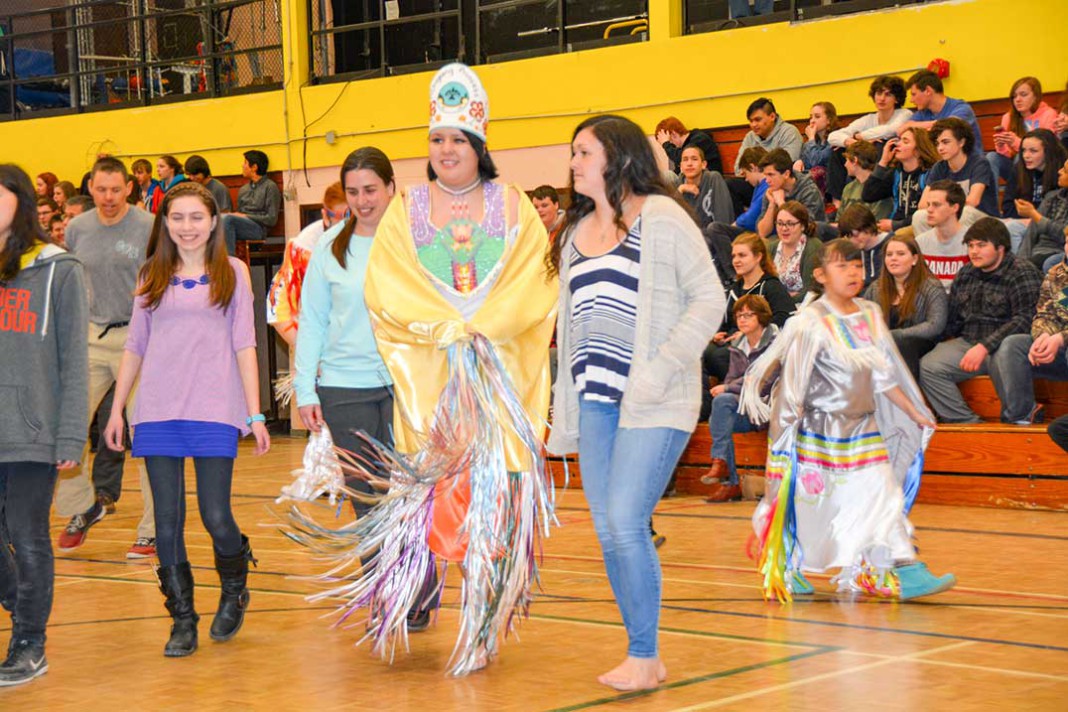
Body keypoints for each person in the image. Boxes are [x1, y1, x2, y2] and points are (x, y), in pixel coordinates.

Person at [288, 63, 558, 677]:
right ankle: (416, 597)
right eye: (437, 139)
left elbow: (536, 281)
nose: (445, 150)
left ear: (478, 144)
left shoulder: (513, 205)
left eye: (457, 139)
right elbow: (387, 289)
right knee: (439, 502)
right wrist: (443, 328)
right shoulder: (406, 209)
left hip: (496, 380)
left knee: (493, 500)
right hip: (429, 386)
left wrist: (482, 327)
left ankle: (484, 622)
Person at [548, 113, 723, 692]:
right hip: (594, 401)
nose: (574, 162)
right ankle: (640, 652)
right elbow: (569, 321)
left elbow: (708, 300)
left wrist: (658, 370)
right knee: (609, 529)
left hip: (654, 400)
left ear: (618, 156)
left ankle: (645, 655)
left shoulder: (663, 217)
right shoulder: (574, 233)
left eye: (584, 151)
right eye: (573, 152)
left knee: (626, 521)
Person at [103, 181, 269, 657]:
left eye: (196, 217)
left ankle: (235, 587)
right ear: (165, 223)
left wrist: (255, 414)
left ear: (214, 221)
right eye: (177, 218)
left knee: (216, 516)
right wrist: (117, 409)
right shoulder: (151, 274)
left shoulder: (233, 272)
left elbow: (245, 344)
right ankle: (182, 618)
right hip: (157, 409)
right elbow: (135, 345)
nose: (187, 227)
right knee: (167, 522)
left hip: (214, 407)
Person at [739, 238, 954, 602]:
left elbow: (882, 374)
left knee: (881, 497)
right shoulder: (809, 323)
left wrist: (914, 411)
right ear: (821, 275)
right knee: (813, 508)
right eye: (842, 266)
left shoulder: (869, 313)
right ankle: (787, 567)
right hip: (818, 433)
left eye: (857, 265)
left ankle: (899, 570)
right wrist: (783, 441)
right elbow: (792, 387)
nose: (853, 273)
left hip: (863, 429)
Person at [0, 164, 88, 686]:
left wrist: (71, 433)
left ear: (21, 203)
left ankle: (30, 643)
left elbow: (74, 359)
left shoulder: (57, 268)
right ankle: (23, 603)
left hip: (34, 431)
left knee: (26, 533)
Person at [54, 157, 157, 557]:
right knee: (69, 426)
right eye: (101, 190)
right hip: (91, 337)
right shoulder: (77, 228)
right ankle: (83, 507)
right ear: (91, 189)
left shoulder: (148, 226)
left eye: (116, 190)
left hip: (138, 335)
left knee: (145, 432)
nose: (109, 197)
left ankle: (153, 528)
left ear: (128, 188)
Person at [292, 147, 395, 527]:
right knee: (366, 500)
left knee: (406, 496)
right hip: (344, 387)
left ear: (391, 188)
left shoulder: (414, 242)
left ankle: (411, 570)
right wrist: (305, 389)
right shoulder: (329, 245)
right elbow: (313, 320)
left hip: (405, 386)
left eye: (370, 190)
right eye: (353, 192)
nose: (362, 201)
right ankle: (377, 568)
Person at [919, 218, 1043, 425]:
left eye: (981, 245)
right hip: (969, 342)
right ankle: (967, 423)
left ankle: (1021, 417)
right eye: (970, 246)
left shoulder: (1022, 271)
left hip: (1006, 348)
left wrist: (985, 346)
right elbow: (954, 319)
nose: (974, 251)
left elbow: (1026, 318)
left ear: (1000, 247)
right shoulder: (966, 272)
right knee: (929, 366)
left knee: (1006, 352)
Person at [702, 295, 779, 503]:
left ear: (761, 316)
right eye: (738, 316)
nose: (742, 320)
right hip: (745, 407)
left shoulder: (775, 344)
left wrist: (728, 388)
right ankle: (725, 472)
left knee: (721, 407)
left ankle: (726, 474)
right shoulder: (738, 345)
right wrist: (729, 387)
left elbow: (764, 381)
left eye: (748, 315)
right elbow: (732, 377)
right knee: (719, 413)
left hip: (767, 409)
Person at [702, 232, 793, 399]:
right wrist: (719, 334)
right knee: (703, 352)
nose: (736, 260)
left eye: (742, 255)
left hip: (759, 346)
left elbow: (784, 318)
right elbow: (727, 321)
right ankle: (707, 403)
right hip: (734, 340)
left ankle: (740, 394)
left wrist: (750, 333)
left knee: (719, 356)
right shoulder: (735, 289)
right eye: (734, 256)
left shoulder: (771, 286)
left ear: (758, 257)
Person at [991, 235, 1068, 427]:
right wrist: (1043, 336)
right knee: (1012, 345)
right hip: (1058, 350)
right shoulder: (1055, 273)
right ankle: (1021, 416)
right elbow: (1044, 313)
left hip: (1063, 343)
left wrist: (1061, 338)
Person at [266, 181, 347, 347]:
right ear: (325, 216)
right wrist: (307, 350)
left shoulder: (372, 239)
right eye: (342, 220)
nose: (348, 228)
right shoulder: (303, 249)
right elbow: (278, 307)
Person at [863, 233, 947, 380]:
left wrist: (896, 335)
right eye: (889, 254)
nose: (893, 258)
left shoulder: (931, 287)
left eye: (900, 254)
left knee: (903, 344)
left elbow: (935, 325)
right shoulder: (875, 288)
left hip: (921, 343)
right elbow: (864, 320)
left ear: (914, 259)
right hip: (885, 343)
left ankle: (909, 392)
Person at [827, 76, 912, 201]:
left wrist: (860, 136)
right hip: (867, 159)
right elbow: (832, 136)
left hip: (889, 161)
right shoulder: (869, 119)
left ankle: (868, 195)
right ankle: (837, 201)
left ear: (897, 99)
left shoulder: (905, 114)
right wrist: (852, 141)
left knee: (880, 144)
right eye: (879, 93)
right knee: (838, 151)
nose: (882, 98)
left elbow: (891, 130)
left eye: (888, 94)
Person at [862, 125, 939, 233]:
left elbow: (928, 213)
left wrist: (896, 225)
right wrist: (883, 162)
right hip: (894, 227)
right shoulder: (896, 173)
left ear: (918, 150)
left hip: (919, 228)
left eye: (905, 142)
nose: (898, 144)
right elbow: (868, 195)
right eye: (899, 140)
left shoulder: (931, 174)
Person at [921, 117, 999, 218]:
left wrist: (943, 213)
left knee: (966, 212)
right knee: (920, 216)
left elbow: (973, 201)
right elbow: (922, 204)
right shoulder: (939, 167)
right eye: (937, 144)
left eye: (945, 142)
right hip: (950, 217)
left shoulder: (979, 163)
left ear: (961, 142)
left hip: (982, 219)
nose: (940, 148)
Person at [989, 76, 1058, 184]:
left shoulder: (1049, 114)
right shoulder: (1008, 117)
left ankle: (1022, 192)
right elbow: (1007, 154)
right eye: (1014, 96)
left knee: (1021, 156)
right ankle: (992, 196)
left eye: (1023, 95)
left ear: (1036, 96)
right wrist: (1001, 145)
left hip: (1043, 167)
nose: (1018, 100)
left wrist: (1017, 143)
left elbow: (1048, 149)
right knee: (991, 157)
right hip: (1015, 169)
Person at [899, 69, 984, 154]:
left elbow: (948, 129)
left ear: (928, 91)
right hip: (940, 161)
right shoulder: (923, 112)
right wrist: (934, 124)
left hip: (970, 161)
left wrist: (914, 125)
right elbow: (900, 130)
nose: (911, 100)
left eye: (914, 94)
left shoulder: (961, 108)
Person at [755, 149, 825, 240]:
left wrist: (781, 203)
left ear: (786, 174)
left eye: (771, 175)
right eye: (766, 175)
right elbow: (762, 232)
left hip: (811, 239)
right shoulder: (773, 190)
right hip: (784, 238)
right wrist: (772, 204)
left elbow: (804, 228)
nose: (767, 180)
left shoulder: (809, 190)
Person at [916, 180, 970, 292]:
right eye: (928, 205)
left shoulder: (972, 241)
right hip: (930, 299)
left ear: (954, 208)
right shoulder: (920, 242)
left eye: (936, 205)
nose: (929, 210)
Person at [223, 150, 282, 249]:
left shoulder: (270, 187)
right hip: (241, 225)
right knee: (219, 219)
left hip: (258, 229)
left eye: (245, 163)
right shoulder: (243, 189)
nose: (242, 166)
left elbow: (271, 219)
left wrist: (246, 216)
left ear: (254, 167)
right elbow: (239, 215)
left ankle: (229, 257)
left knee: (227, 219)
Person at [1017, 156, 1068, 271]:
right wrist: (1021, 261)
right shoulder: (1052, 196)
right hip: (1040, 251)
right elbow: (1032, 232)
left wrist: (1035, 216)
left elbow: (1064, 235)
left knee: (1049, 262)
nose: (1059, 172)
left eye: (1065, 171)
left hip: (1060, 252)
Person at [1003, 129, 1067, 218]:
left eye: (1033, 151)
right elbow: (1008, 206)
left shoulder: (1063, 172)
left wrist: (1034, 217)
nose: (1026, 156)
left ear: (1048, 152)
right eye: (1023, 150)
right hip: (1021, 221)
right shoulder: (1018, 169)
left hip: (1049, 223)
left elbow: (1060, 213)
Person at [768, 200, 821, 302]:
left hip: (803, 306)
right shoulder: (771, 247)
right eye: (780, 223)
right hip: (774, 305)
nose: (784, 228)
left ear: (802, 226)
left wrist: (783, 299)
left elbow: (810, 292)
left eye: (790, 224)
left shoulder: (813, 247)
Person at [734, 98, 803, 175]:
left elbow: (785, 165)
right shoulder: (749, 137)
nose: (753, 125)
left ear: (772, 116)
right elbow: (738, 168)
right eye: (751, 121)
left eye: (758, 120)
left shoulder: (789, 133)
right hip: (752, 180)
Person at [677, 145, 733, 231]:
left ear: (703, 164)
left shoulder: (713, 178)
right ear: (681, 166)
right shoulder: (678, 185)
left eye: (694, 159)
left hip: (712, 235)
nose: (689, 164)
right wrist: (680, 190)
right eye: (685, 160)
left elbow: (723, 219)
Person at [839, 140, 893, 221]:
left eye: (847, 160)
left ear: (855, 160)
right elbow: (839, 218)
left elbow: (876, 222)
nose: (845, 164)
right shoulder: (848, 188)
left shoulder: (879, 189)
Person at [838, 203, 888, 288]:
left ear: (869, 227)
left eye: (856, 235)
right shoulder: (855, 251)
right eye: (849, 237)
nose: (853, 241)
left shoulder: (890, 246)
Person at [794, 101, 838, 194]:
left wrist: (811, 138)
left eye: (817, 117)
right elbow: (806, 165)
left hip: (830, 186)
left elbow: (815, 162)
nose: (812, 121)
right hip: (810, 185)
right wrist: (799, 162)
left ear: (829, 120)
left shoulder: (834, 140)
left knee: (817, 172)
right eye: (811, 117)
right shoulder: (811, 143)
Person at [655, 116, 722, 175]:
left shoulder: (700, 139)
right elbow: (677, 172)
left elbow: (683, 157)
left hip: (707, 180)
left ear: (673, 134)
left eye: (669, 141)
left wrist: (666, 144)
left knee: (667, 176)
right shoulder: (682, 148)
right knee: (666, 176)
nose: (671, 146)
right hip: (690, 180)